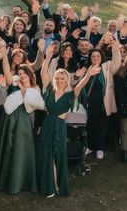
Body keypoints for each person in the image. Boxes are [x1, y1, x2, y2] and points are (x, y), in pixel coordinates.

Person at [38, 45, 99, 197]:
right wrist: (48, 56)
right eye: (57, 78)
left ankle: (60, 186)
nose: (59, 80)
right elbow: (43, 72)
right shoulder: (50, 90)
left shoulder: (70, 94)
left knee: (59, 155)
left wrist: (89, 74)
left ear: (66, 80)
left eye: (62, 78)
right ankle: (51, 187)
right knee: (47, 156)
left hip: (59, 126)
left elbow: (80, 86)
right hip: (47, 125)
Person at [0, 63, 43, 194]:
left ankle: (20, 182)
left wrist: (22, 88)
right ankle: (3, 181)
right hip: (9, 119)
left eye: (24, 73)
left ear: (29, 74)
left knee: (20, 149)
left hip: (24, 120)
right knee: (8, 148)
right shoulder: (14, 85)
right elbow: (6, 100)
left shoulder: (35, 88)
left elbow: (36, 105)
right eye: (19, 73)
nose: (22, 76)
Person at [84, 42, 122, 159]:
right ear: (90, 58)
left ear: (102, 57)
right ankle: (90, 146)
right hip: (90, 104)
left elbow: (117, 63)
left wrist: (116, 51)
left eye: (98, 56)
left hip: (103, 104)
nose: (95, 58)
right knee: (90, 126)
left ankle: (100, 148)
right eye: (93, 56)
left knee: (102, 127)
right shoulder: (87, 69)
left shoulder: (107, 67)